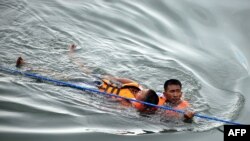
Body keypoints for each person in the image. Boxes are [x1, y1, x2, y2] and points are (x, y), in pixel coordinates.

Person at [68, 44, 159, 113]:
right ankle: (72, 55)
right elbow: (123, 80)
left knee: (69, 79)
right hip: (103, 82)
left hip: (96, 89)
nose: (139, 91)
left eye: (141, 93)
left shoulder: (128, 105)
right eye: (142, 90)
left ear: (142, 102)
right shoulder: (136, 87)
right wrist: (112, 78)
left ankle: (56, 73)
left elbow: (113, 108)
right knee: (85, 70)